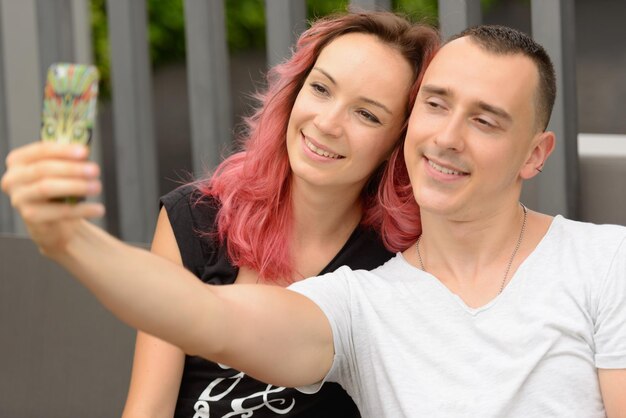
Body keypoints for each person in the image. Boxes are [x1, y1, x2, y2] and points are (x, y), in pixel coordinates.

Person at [3, 24, 625, 418]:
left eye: (486, 120)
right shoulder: (364, 300)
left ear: (534, 154)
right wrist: (71, 240)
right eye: (436, 105)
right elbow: (206, 318)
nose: (448, 136)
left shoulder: (605, 262)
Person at [2, 11, 439, 418]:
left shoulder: (400, 264)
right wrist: (66, 234)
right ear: (294, 91)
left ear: (397, 141)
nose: (327, 123)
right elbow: (147, 409)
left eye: (366, 113)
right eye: (321, 88)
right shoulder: (195, 218)